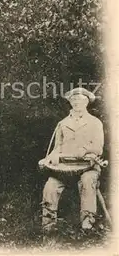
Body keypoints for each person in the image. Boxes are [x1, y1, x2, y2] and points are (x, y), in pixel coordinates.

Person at [41, 88, 104, 231]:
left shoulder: (95, 123)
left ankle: (87, 224)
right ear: (70, 102)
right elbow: (57, 147)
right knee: (50, 187)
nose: (77, 103)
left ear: (87, 102)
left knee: (88, 181)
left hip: (88, 167)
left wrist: (86, 150)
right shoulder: (62, 123)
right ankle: (48, 226)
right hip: (64, 168)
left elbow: (98, 148)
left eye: (80, 100)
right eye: (74, 100)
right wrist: (51, 158)